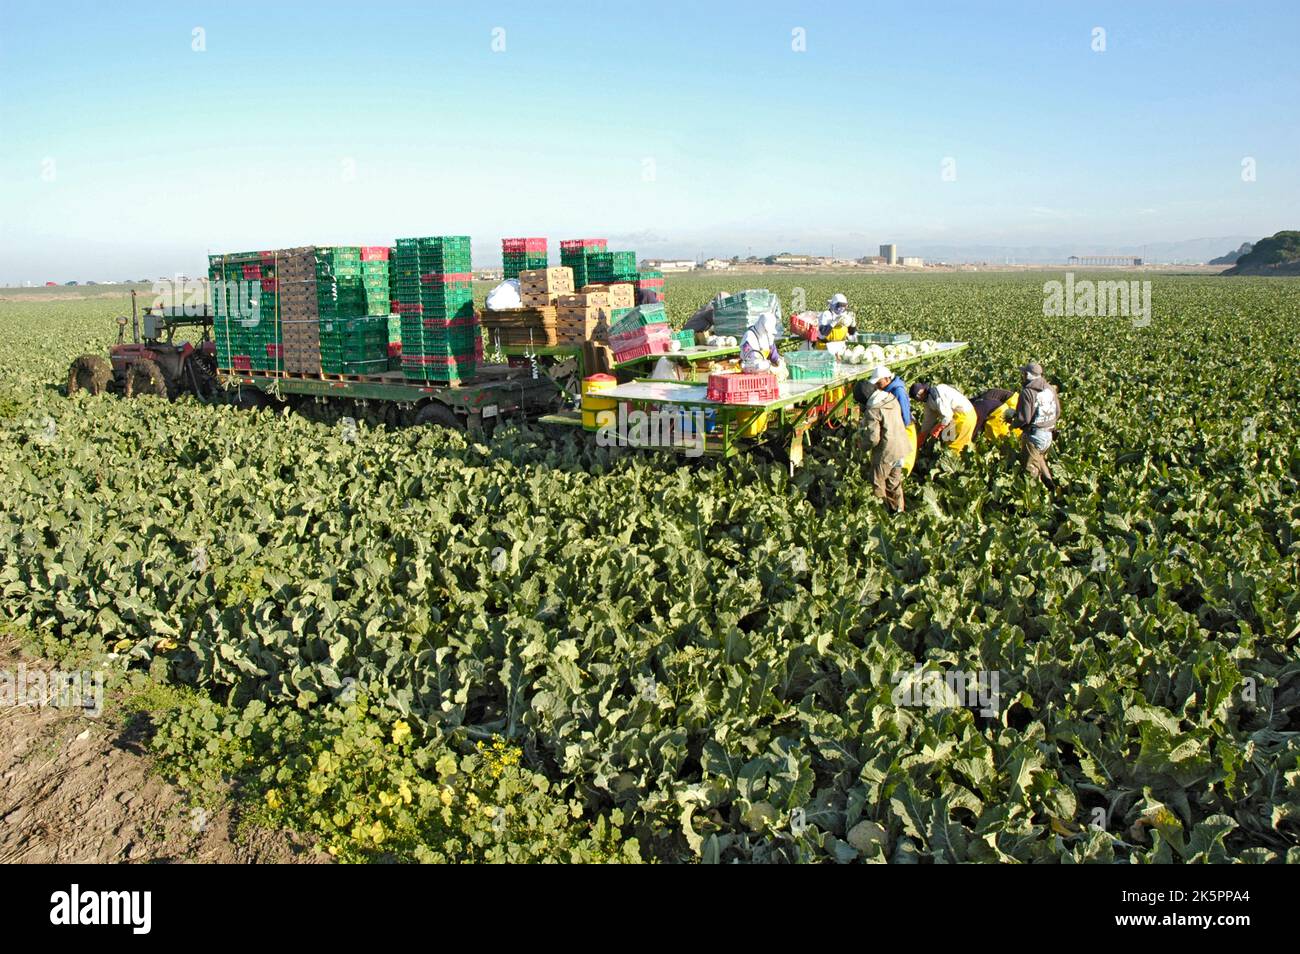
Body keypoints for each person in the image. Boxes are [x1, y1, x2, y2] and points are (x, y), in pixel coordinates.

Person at [860, 379, 911, 513]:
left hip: (886, 452)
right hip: (900, 448)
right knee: (894, 483)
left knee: (878, 483)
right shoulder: (891, 398)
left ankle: (881, 515)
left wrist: (862, 446)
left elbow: (873, 438)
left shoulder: (873, 409)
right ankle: (899, 513)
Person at [855, 365, 917, 473]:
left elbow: (904, 416)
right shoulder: (888, 390)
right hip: (897, 428)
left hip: (904, 428)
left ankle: (903, 477)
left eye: (879, 383)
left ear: (888, 379)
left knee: (903, 460)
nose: (878, 387)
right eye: (876, 384)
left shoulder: (898, 392)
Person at [1011, 362, 1060, 489]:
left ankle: (1035, 496)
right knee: (1040, 458)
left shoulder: (1027, 392)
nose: (1022, 376)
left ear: (1027, 375)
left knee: (1030, 469)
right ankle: (1050, 484)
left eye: (1023, 373)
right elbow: (1058, 411)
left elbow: (1025, 418)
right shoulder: (1050, 388)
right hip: (1048, 435)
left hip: (1034, 435)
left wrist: (1013, 423)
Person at [910, 381, 977, 454]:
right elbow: (927, 421)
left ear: (919, 394)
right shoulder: (929, 401)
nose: (918, 401)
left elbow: (947, 416)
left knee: (955, 448)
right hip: (956, 418)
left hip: (965, 417)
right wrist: (921, 437)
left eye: (917, 398)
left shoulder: (936, 394)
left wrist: (937, 429)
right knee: (948, 442)